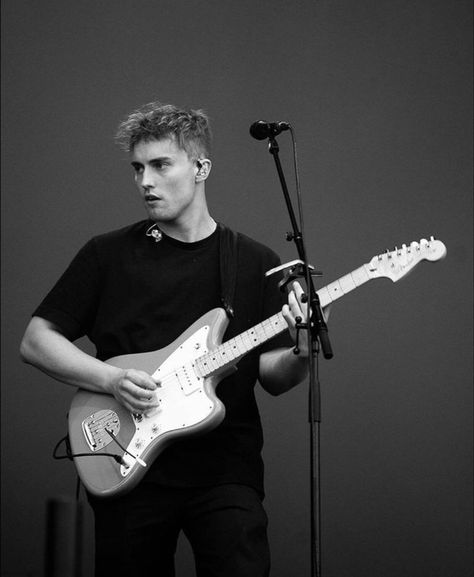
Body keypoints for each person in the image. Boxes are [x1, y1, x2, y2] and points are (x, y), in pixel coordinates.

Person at [20, 101, 313, 577]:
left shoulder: (253, 260)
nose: (144, 182)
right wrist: (112, 379)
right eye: (138, 168)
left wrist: (300, 347)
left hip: (225, 471)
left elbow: (272, 377)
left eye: (160, 165)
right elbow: (36, 340)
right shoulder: (108, 254)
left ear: (201, 168)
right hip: (127, 461)